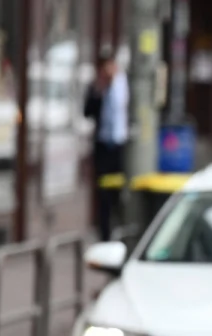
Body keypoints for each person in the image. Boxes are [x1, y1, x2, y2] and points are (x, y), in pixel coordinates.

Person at [84, 51, 129, 241]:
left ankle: (119, 229)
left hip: (118, 145)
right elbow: (87, 111)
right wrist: (98, 91)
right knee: (102, 192)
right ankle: (104, 233)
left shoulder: (123, 85)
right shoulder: (97, 88)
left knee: (116, 191)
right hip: (103, 145)